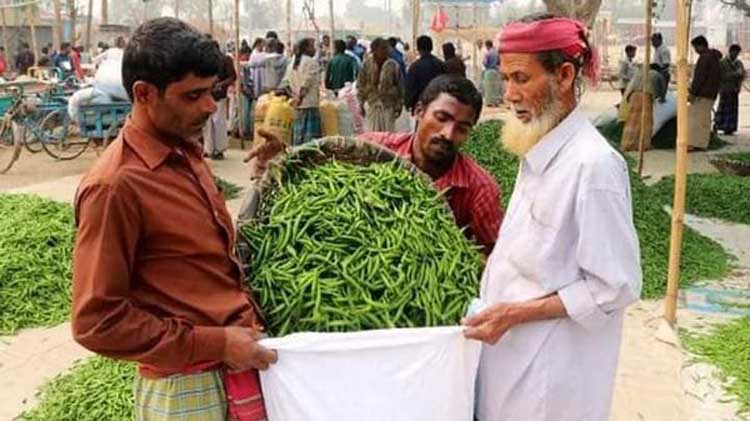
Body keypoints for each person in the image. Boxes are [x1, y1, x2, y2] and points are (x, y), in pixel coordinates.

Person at [72, 17, 277, 420]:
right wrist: (215, 343)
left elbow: (209, 255)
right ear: (144, 94)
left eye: (212, 92)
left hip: (234, 367)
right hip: (185, 385)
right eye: (193, 95)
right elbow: (96, 321)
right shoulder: (116, 186)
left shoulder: (185, 152)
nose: (210, 106)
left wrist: (270, 178)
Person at [463, 14, 641, 421]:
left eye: (521, 79)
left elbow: (616, 286)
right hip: (510, 356)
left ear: (563, 75)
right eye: (505, 78)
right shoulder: (539, 147)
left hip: (550, 373)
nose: (509, 94)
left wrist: (517, 313)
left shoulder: (593, 167)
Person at [247, 75, 503, 255]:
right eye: (441, 118)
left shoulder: (479, 188)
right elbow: (317, 175)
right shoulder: (373, 150)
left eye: (462, 128)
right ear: (418, 111)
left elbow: (495, 259)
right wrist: (285, 158)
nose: (448, 134)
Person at [357, 37, 404, 131]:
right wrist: (361, 104)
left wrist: (399, 105)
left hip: (388, 105)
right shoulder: (367, 64)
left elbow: (400, 87)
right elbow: (361, 85)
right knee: (373, 136)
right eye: (383, 48)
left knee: (388, 136)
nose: (386, 51)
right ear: (375, 50)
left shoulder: (393, 65)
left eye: (386, 48)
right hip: (372, 103)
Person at [620, 63, 667, 151]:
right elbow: (662, 90)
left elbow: (630, 87)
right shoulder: (657, 75)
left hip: (633, 96)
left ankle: (627, 144)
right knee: (645, 121)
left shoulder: (640, 73)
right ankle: (643, 145)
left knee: (632, 121)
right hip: (645, 97)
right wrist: (662, 98)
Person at [204, 44, 237, 160]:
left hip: (218, 96)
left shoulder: (225, 60)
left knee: (218, 122)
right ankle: (209, 149)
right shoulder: (204, 61)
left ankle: (218, 150)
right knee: (209, 123)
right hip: (207, 95)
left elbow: (233, 77)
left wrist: (221, 85)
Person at [688, 35, 722, 151]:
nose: (695, 50)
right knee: (704, 120)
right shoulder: (714, 58)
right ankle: (702, 143)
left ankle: (693, 143)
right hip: (711, 93)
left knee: (696, 120)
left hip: (702, 94)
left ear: (700, 46)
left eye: (695, 47)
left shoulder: (704, 58)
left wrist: (692, 92)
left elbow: (699, 78)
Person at [290, 38, 322, 145]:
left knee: (299, 136)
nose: (314, 49)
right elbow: (306, 83)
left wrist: (295, 98)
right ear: (306, 48)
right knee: (310, 140)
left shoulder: (293, 61)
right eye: (312, 46)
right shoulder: (311, 63)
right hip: (309, 104)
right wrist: (299, 97)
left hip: (297, 104)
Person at [405, 35, 445, 113]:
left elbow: (410, 87)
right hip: (438, 105)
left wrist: (408, 103)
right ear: (431, 47)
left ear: (418, 48)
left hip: (421, 106)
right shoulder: (441, 64)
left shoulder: (415, 67)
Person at [715, 44, 745, 135]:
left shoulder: (739, 63)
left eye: (737, 53)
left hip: (734, 90)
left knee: (732, 110)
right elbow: (722, 76)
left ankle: (730, 128)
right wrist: (735, 74)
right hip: (724, 89)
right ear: (730, 52)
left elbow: (741, 75)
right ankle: (719, 125)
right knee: (722, 108)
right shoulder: (723, 63)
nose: (735, 55)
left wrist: (738, 84)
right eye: (734, 53)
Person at [482, 40, 503, 106]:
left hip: (489, 71)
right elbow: (499, 62)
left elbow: (485, 62)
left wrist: (487, 66)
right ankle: (496, 102)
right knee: (496, 87)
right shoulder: (497, 53)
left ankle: (490, 102)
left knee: (489, 88)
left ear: (487, 46)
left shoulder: (488, 53)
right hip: (496, 71)